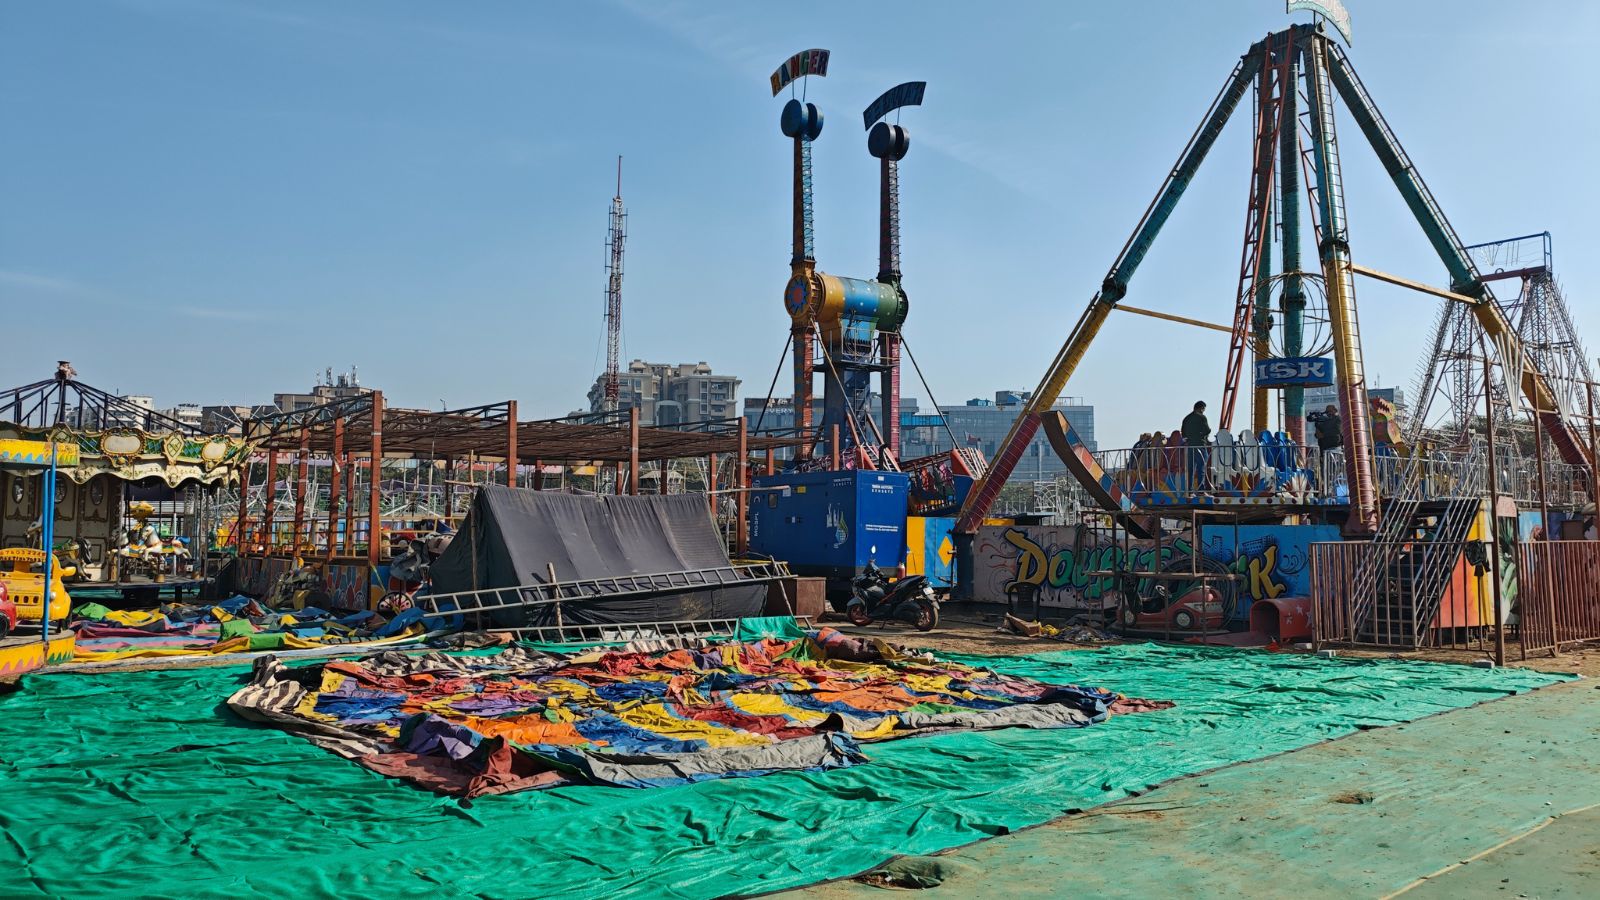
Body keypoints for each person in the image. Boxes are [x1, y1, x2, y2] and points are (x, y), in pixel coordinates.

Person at [1181, 401, 1212, 491]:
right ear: (1201, 408)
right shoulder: (1202, 417)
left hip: (1190, 446)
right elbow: (1207, 430)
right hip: (1200, 445)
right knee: (1201, 468)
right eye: (1203, 409)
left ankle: (1189, 490)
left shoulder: (1186, 418)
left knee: (1190, 469)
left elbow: (1183, 434)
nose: (1203, 411)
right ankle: (1201, 490)